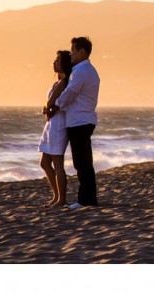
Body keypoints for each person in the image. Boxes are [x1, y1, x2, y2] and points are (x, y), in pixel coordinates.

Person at [56, 36, 100, 209]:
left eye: (73, 50)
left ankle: (86, 200)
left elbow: (70, 92)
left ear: (82, 52)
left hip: (80, 120)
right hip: (83, 119)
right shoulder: (88, 70)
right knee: (83, 162)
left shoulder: (81, 71)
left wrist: (56, 104)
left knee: (82, 162)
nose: (71, 54)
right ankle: (88, 199)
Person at [39, 50, 73, 207]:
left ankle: (61, 199)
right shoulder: (59, 82)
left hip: (59, 125)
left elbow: (51, 103)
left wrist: (47, 107)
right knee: (45, 163)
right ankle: (56, 195)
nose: (54, 62)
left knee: (58, 163)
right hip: (51, 125)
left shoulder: (65, 82)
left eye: (58, 60)